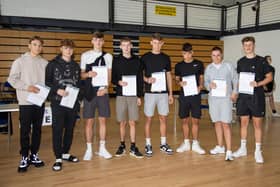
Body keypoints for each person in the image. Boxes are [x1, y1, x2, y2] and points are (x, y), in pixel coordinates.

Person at [8, 36, 47, 172]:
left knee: (37, 130)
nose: (37, 47)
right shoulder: (20, 61)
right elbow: (12, 79)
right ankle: (24, 156)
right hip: (25, 102)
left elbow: (49, 82)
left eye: (40, 45)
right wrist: (27, 87)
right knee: (25, 131)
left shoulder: (44, 63)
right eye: (35, 44)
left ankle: (34, 155)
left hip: (39, 102)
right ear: (29, 45)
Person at [233, 36, 273, 163]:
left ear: (254, 45)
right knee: (243, 123)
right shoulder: (240, 62)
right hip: (243, 98)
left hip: (257, 97)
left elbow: (269, 77)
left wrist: (258, 83)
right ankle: (243, 148)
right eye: (245, 45)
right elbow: (239, 80)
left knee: (257, 125)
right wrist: (235, 92)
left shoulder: (261, 61)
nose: (248, 47)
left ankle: (257, 151)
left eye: (250, 45)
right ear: (243, 47)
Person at [45, 39, 81, 171]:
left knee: (70, 129)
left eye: (71, 48)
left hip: (72, 103)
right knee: (58, 129)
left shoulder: (76, 66)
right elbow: (47, 82)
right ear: (61, 49)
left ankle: (65, 153)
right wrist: (57, 90)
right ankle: (58, 157)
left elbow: (78, 84)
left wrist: (79, 99)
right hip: (57, 102)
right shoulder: (52, 64)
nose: (69, 51)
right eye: (66, 48)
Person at [141, 33, 174, 157]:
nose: (157, 45)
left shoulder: (166, 58)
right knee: (148, 119)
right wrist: (147, 80)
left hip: (163, 94)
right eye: (154, 43)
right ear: (151, 43)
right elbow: (140, 75)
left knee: (163, 118)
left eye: (159, 43)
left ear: (162, 44)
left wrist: (170, 93)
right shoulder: (144, 57)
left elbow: (169, 76)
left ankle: (163, 144)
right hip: (150, 93)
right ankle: (148, 144)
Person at [81, 31, 112, 160]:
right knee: (89, 121)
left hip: (102, 93)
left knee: (103, 120)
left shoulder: (108, 56)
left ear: (103, 42)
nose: (98, 42)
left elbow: (109, 76)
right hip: (89, 93)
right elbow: (81, 75)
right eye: (95, 40)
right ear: (92, 41)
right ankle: (89, 149)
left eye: (100, 40)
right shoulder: (85, 55)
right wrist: (88, 74)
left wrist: (106, 88)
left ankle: (102, 148)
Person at [111, 37, 144, 158]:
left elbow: (140, 79)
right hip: (121, 95)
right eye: (124, 45)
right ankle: (122, 145)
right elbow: (113, 78)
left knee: (132, 122)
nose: (126, 47)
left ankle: (133, 146)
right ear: (120, 47)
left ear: (131, 46)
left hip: (133, 95)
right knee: (122, 122)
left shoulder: (137, 60)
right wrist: (118, 82)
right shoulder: (116, 61)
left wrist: (139, 96)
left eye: (128, 45)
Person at [204, 47, 238, 161]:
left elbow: (235, 79)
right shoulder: (208, 68)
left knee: (226, 124)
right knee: (217, 123)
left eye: (218, 55)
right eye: (213, 55)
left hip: (225, 100)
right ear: (211, 56)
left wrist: (234, 92)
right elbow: (205, 82)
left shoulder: (228, 66)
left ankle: (229, 151)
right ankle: (220, 146)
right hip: (213, 100)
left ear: (221, 55)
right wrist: (209, 86)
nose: (216, 57)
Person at [174, 42, 206, 155]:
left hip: (195, 96)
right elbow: (177, 79)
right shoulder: (179, 66)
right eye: (184, 53)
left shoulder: (199, 64)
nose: (187, 55)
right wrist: (180, 83)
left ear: (192, 52)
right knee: (184, 120)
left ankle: (196, 144)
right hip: (184, 96)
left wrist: (200, 86)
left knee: (196, 120)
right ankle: (186, 143)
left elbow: (201, 78)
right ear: (182, 53)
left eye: (189, 53)